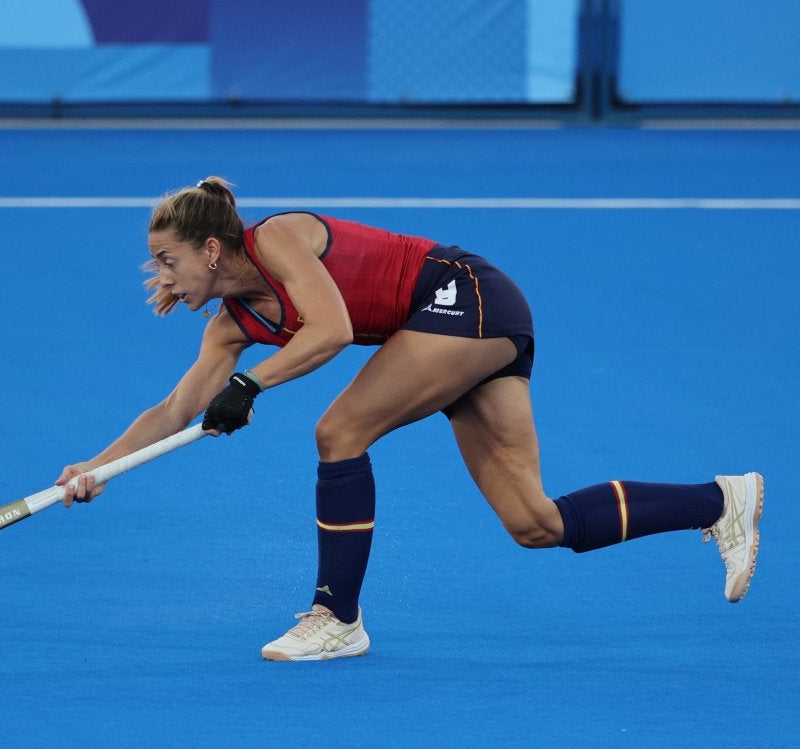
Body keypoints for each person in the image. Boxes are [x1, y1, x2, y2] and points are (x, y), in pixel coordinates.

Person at [54, 177, 762, 661]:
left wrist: (250, 384)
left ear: (211, 248)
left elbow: (328, 329)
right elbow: (175, 408)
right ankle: (721, 500)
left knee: (339, 430)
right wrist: (98, 465)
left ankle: (336, 617)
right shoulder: (230, 324)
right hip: (443, 330)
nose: (162, 274)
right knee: (534, 523)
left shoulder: (277, 239)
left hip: (466, 296)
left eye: (166, 258)